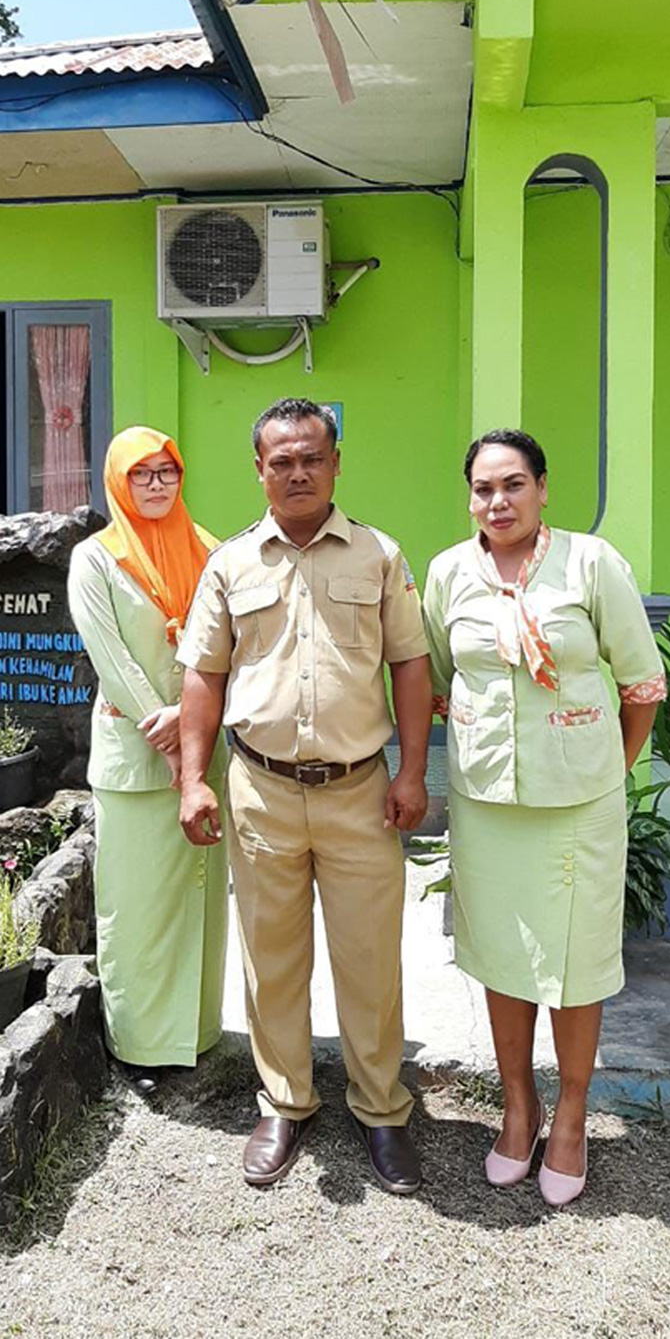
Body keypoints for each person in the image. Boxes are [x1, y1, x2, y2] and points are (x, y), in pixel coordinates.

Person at [176, 397, 433, 1193]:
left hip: (361, 791)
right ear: (259, 468)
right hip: (261, 790)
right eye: (280, 460)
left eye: (311, 457)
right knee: (272, 960)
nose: (297, 471)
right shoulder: (230, 564)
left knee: (369, 961)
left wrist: (414, 769)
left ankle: (382, 1108)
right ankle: (285, 1100)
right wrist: (193, 779)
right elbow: (202, 676)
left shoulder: (378, 555)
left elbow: (412, 666)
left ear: (335, 464)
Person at [422, 429, 665, 1206]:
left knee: (576, 960)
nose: (499, 500)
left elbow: (639, 685)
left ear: (543, 488)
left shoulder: (591, 564)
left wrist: (605, 771)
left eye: (514, 483)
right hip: (488, 803)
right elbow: (433, 678)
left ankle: (570, 1113)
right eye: (485, 487)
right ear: (469, 498)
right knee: (502, 956)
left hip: (579, 806)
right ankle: (517, 1104)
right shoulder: (449, 574)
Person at [67, 427, 228, 1089]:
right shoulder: (95, 559)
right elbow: (110, 655)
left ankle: (197, 1029)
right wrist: (163, 724)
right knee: (134, 903)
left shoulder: (213, 551)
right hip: (134, 760)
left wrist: (191, 724)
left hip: (203, 757)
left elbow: (226, 647)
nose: (158, 483)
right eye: (143, 473)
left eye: (168, 470)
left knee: (199, 896)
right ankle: (138, 1039)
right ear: (118, 482)